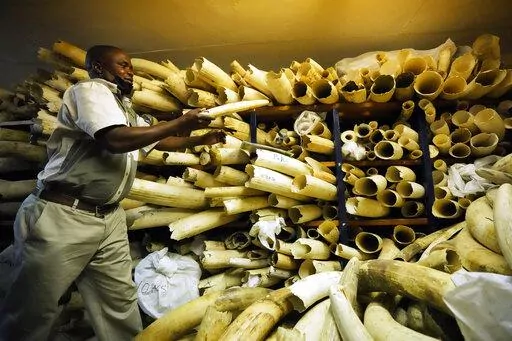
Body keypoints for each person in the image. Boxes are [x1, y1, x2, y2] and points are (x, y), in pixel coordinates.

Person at [0, 45, 225, 341]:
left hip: (109, 218)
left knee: (119, 304)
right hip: (66, 215)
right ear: (97, 67)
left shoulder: (124, 109)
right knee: (35, 307)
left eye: (130, 66)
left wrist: (201, 138)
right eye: (122, 65)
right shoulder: (90, 91)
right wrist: (182, 122)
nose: (129, 71)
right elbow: (115, 139)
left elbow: (157, 141)